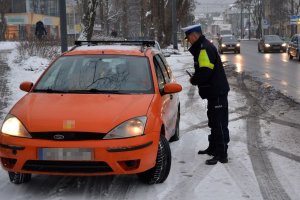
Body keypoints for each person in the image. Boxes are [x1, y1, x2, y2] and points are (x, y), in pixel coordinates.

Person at [182, 24, 230, 165]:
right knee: (214, 121)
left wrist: (194, 79)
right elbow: (205, 69)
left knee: (220, 123)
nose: (189, 41)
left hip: (217, 92)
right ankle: (213, 147)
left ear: (194, 35)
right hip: (213, 92)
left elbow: (205, 72)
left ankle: (221, 154)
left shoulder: (204, 49)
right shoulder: (202, 47)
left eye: (189, 38)